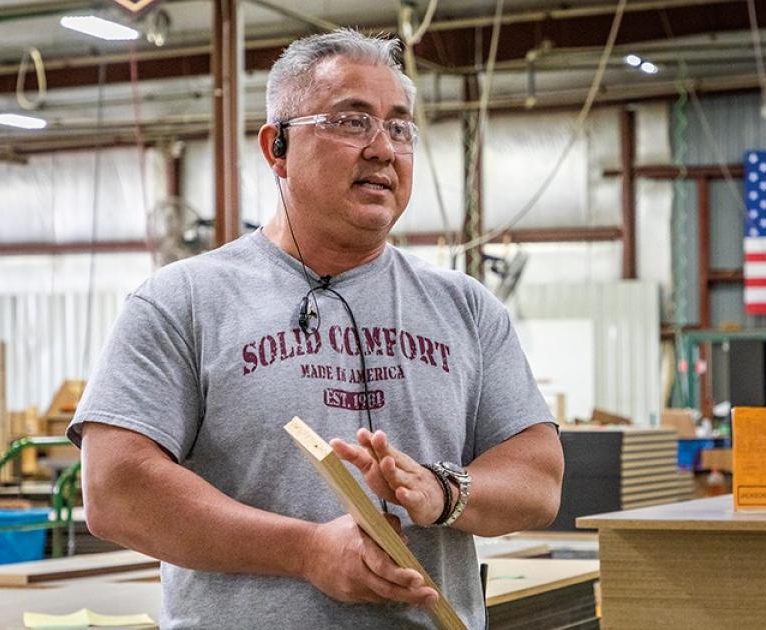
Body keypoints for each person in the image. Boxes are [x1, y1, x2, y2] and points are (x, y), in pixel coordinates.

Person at [71, 29, 564, 629]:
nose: (383, 148)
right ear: (276, 147)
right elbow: (116, 489)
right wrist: (305, 552)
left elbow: (539, 477)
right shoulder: (181, 302)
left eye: (400, 127)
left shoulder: (465, 308)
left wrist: (445, 492)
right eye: (352, 122)